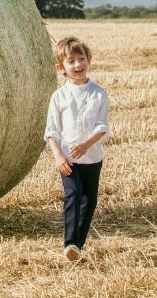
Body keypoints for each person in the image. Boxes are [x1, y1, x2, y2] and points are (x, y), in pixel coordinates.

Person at [45, 35, 109, 262]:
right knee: (73, 195)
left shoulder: (99, 93)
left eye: (81, 59)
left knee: (89, 201)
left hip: (92, 158)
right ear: (61, 68)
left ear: (89, 59)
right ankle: (70, 242)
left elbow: (102, 126)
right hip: (68, 160)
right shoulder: (58, 96)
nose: (77, 65)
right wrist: (57, 156)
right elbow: (51, 130)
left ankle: (77, 246)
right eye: (71, 61)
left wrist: (85, 145)